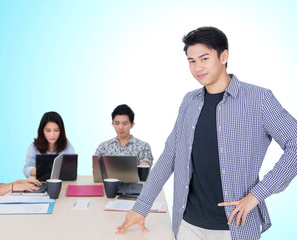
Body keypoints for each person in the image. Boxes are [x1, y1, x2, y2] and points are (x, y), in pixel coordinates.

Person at [117, 26, 297, 240]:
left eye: (204, 58)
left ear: (224, 56)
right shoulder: (189, 102)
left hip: (235, 228)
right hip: (188, 225)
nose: (197, 68)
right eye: (191, 61)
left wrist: (256, 195)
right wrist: (141, 207)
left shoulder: (259, 100)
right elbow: (170, 156)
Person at [23, 111, 75, 178]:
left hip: (62, 182)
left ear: (61, 131)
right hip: (40, 183)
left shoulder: (67, 146)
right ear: (42, 131)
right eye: (48, 131)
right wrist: (41, 171)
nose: (52, 135)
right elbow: (26, 169)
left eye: (56, 130)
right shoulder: (33, 147)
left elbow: (71, 170)